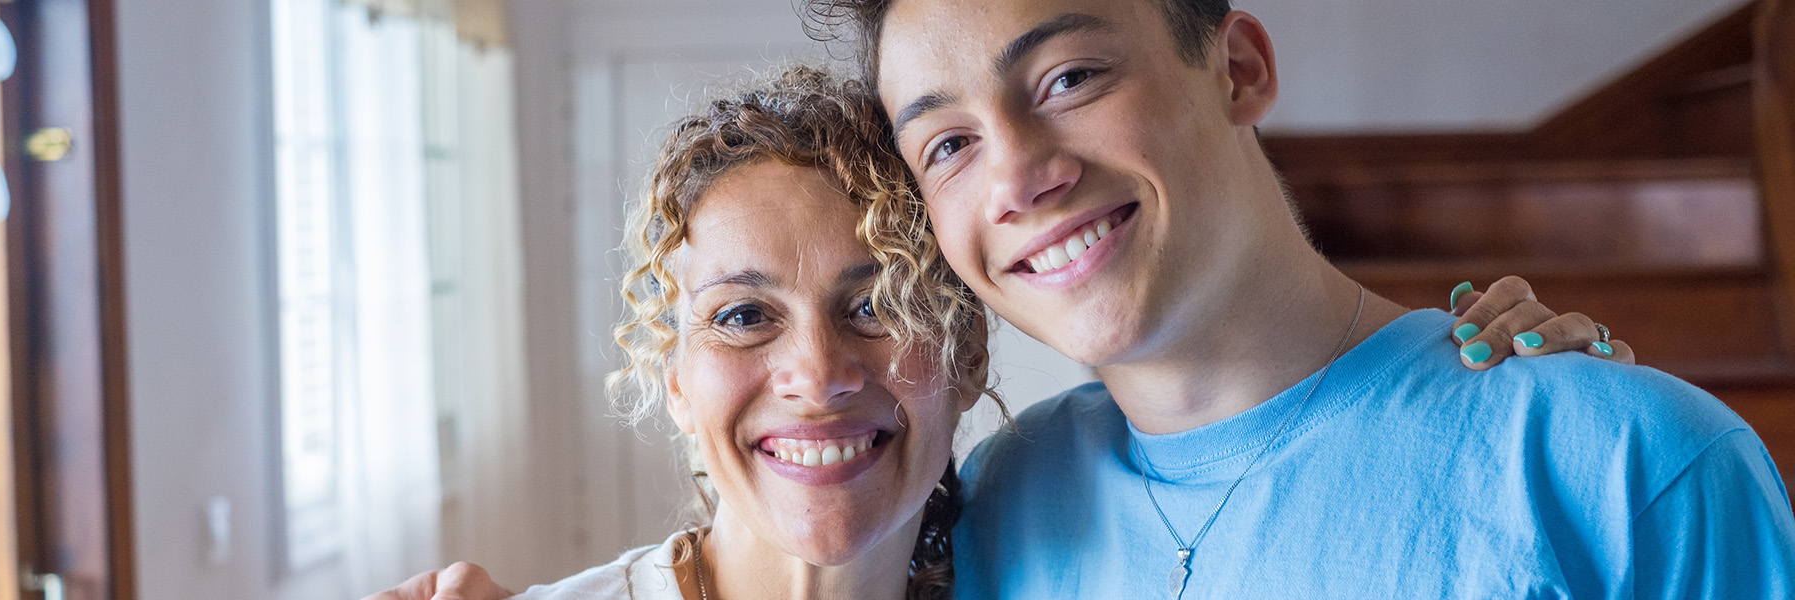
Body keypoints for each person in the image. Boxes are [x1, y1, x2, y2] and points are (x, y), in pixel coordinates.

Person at [364, 64, 1642, 600]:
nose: (815, 373)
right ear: (673, 366)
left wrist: (1504, 384)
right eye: (743, 316)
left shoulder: (1048, 532)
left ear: (967, 355)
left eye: (880, 307)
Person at [800, 0, 1795, 596]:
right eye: (949, 145)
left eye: (1069, 77)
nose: (1018, 176)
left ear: (1238, 69)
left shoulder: (1632, 464)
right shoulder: (994, 506)